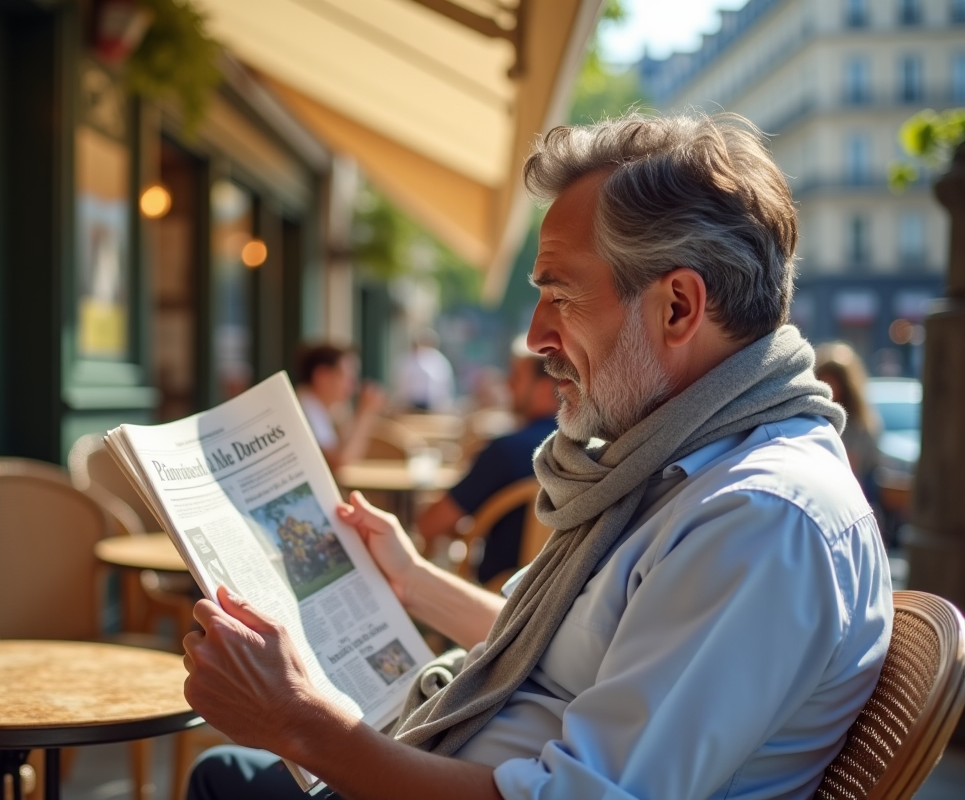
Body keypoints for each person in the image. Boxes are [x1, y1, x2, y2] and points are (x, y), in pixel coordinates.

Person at [182, 112, 892, 800]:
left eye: (560, 294)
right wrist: (413, 581)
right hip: (450, 747)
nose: (536, 335)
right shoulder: (688, 464)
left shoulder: (760, 521)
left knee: (223, 776)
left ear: (677, 306)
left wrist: (303, 723)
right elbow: (571, 650)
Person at [416, 340, 559, 586]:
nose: (508, 384)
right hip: (567, 591)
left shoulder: (506, 450)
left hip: (501, 590)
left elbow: (430, 525)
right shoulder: (589, 447)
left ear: (544, 388)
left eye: (516, 377)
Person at [294, 342, 386, 470]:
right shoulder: (305, 408)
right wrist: (365, 413)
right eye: (347, 376)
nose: (353, 385)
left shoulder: (319, 405)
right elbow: (340, 461)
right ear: (322, 376)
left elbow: (346, 447)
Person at [814, 341, 881, 502]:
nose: (827, 388)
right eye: (822, 381)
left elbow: (854, 469)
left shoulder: (857, 425)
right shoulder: (812, 418)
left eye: (831, 381)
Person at [395, 328, 456, 412]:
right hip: (409, 407)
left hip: (434, 407)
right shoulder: (406, 360)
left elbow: (444, 386)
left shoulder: (440, 362)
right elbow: (401, 384)